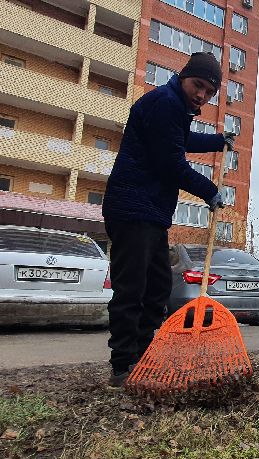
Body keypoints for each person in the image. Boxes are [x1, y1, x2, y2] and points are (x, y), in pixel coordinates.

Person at [101, 51, 234, 387]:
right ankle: (123, 365)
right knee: (132, 288)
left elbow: (182, 141)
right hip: (133, 208)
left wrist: (218, 141)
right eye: (198, 85)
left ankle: (142, 355)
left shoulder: (175, 108)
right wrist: (209, 191)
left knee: (158, 285)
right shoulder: (165, 103)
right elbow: (170, 164)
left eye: (209, 92)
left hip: (150, 213)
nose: (201, 95)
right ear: (184, 77)